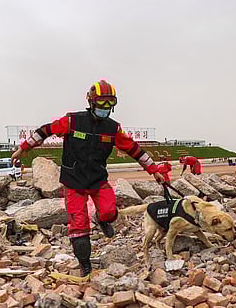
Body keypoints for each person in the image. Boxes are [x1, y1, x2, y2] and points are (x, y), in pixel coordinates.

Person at [11, 80, 164, 279]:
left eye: (110, 104)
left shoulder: (113, 129)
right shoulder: (72, 122)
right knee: (78, 225)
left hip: (98, 180)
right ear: (91, 102)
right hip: (74, 181)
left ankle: (101, 219)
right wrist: (24, 148)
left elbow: (134, 149)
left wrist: (154, 170)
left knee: (110, 212)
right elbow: (45, 130)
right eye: (102, 103)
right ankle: (85, 264)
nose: (105, 108)